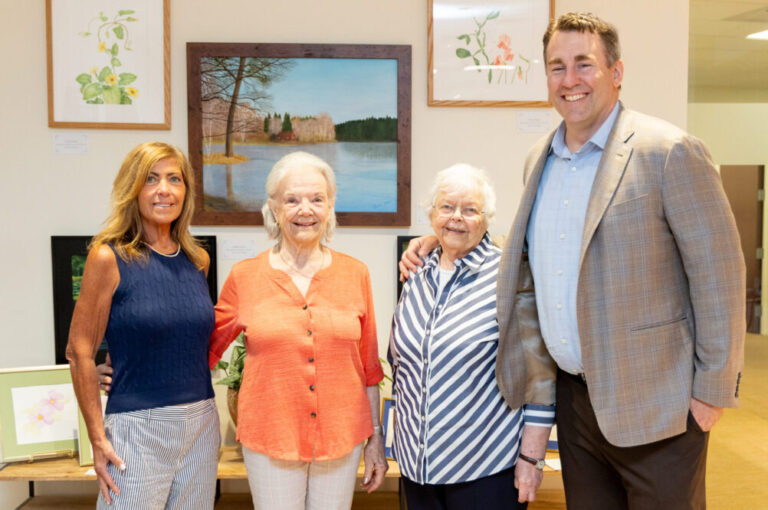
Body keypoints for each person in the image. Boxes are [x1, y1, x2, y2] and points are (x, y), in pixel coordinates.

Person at [401, 12, 745, 510]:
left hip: (658, 406)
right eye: (557, 67)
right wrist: (443, 239)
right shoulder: (539, 156)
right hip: (578, 409)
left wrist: (710, 395)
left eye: (584, 64)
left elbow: (721, 275)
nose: (570, 80)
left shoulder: (667, 151)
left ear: (617, 71)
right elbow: (542, 251)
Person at [208, 151, 388, 509]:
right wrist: (128, 367)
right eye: (292, 200)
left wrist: (376, 440)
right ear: (273, 208)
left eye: (317, 199)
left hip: (342, 436)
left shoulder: (356, 274)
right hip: (271, 437)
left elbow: (369, 368)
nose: (305, 210)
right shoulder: (245, 276)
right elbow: (202, 348)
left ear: (330, 206)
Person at [390, 164, 554, 509]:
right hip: (416, 468)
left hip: (485, 468)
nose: (456, 218)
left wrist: (532, 459)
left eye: (470, 210)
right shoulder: (416, 272)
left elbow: (539, 376)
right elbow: (401, 364)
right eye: (447, 207)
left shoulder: (508, 275)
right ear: (432, 214)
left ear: (486, 218)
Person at [67, 142, 220, 509]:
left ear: (186, 190)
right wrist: (97, 436)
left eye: (174, 179)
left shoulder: (198, 260)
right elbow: (79, 351)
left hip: (201, 423)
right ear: (132, 188)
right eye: (151, 179)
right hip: (137, 427)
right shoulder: (108, 256)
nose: (164, 189)